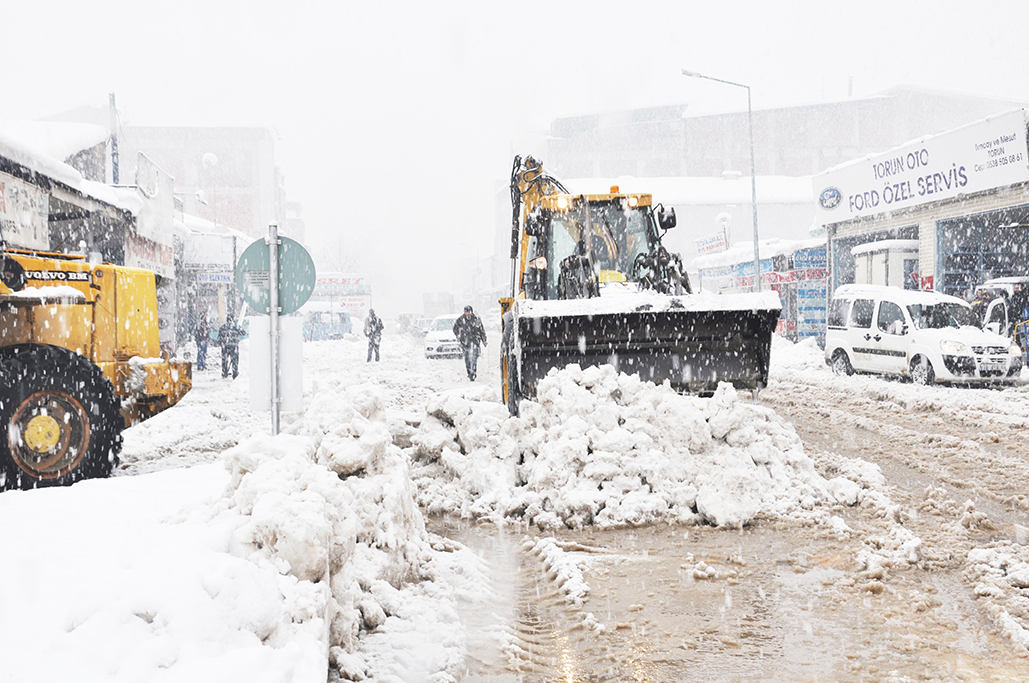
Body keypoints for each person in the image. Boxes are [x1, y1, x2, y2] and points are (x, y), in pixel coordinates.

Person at [453, 305, 487, 381]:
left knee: (474, 357)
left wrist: (484, 340)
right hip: (465, 341)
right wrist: (458, 334)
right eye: (466, 312)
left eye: (469, 312)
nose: (468, 313)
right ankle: (469, 372)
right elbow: (455, 328)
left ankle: (473, 373)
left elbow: (481, 330)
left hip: (475, 341)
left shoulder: (476, 319)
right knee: (467, 358)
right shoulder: (461, 319)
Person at [218, 313, 244, 379]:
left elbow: (219, 337)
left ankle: (224, 373)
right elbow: (243, 333)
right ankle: (235, 373)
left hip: (225, 346)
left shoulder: (223, 327)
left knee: (224, 360)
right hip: (234, 346)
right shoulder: (236, 326)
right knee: (235, 361)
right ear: (233, 319)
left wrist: (222, 342)